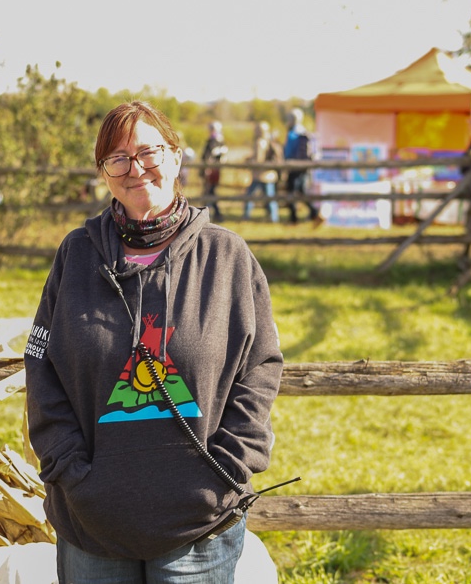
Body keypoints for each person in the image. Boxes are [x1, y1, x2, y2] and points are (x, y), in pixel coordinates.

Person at [23, 101, 284, 584]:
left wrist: (227, 468)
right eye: (117, 158)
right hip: (93, 523)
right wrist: (72, 473)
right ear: (104, 173)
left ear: (177, 157)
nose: (135, 168)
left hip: (201, 525)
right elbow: (42, 366)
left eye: (149, 152)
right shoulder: (76, 256)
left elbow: (261, 367)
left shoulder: (227, 257)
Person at [283, 108, 321, 225]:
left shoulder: (293, 133)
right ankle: (314, 213)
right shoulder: (304, 131)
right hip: (303, 168)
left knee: (292, 192)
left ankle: (294, 219)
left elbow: (288, 152)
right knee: (302, 192)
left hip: (294, 167)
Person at [242, 120, 280, 222]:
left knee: (249, 197)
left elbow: (258, 159)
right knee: (270, 198)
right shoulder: (270, 140)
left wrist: (249, 160)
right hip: (270, 174)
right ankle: (274, 218)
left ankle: (246, 217)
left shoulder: (259, 142)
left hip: (260, 175)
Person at [200, 121, 228, 221]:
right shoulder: (213, 141)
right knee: (209, 191)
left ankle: (214, 214)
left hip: (213, 170)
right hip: (211, 170)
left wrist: (207, 168)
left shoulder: (217, 141)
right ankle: (210, 214)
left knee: (210, 191)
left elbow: (211, 157)